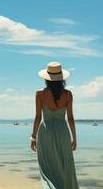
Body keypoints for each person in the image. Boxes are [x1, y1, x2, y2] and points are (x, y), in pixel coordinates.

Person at [30, 61, 79, 189]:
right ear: (61, 78)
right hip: (63, 132)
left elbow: (38, 117)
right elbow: (71, 118)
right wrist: (74, 139)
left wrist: (33, 137)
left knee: (47, 168)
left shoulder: (40, 94)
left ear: (46, 78)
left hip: (45, 132)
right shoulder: (68, 94)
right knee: (64, 165)